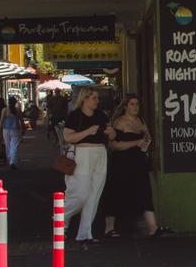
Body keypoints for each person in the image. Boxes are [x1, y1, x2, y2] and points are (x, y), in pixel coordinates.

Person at [100, 94, 171, 238]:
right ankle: (109, 228)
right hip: (121, 163)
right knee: (116, 193)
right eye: (132, 104)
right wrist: (135, 143)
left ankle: (153, 227)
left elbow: (148, 139)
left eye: (137, 104)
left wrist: (145, 132)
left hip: (138, 162)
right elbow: (114, 145)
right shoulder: (120, 122)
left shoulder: (140, 120)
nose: (135, 107)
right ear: (125, 106)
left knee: (144, 192)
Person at [61, 86, 114, 245]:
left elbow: (112, 136)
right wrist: (88, 132)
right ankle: (61, 218)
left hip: (100, 153)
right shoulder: (74, 116)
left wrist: (110, 132)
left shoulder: (101, 116)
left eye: (97, 98)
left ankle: (85, 233)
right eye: (94, 98)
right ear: (85, 99)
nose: (97, 101)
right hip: (82, 154)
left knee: (94, 193)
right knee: (81, 192)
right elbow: (68, 137)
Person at [0, 95, 23, 169]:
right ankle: (12, 161)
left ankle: (10, 161)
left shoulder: (4, 110)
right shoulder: (17, 110)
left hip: (6, 129)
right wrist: (23, 129)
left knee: (7, 145)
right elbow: (21, 120)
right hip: (15, 129)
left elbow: (1, 120)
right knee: (14, 146)